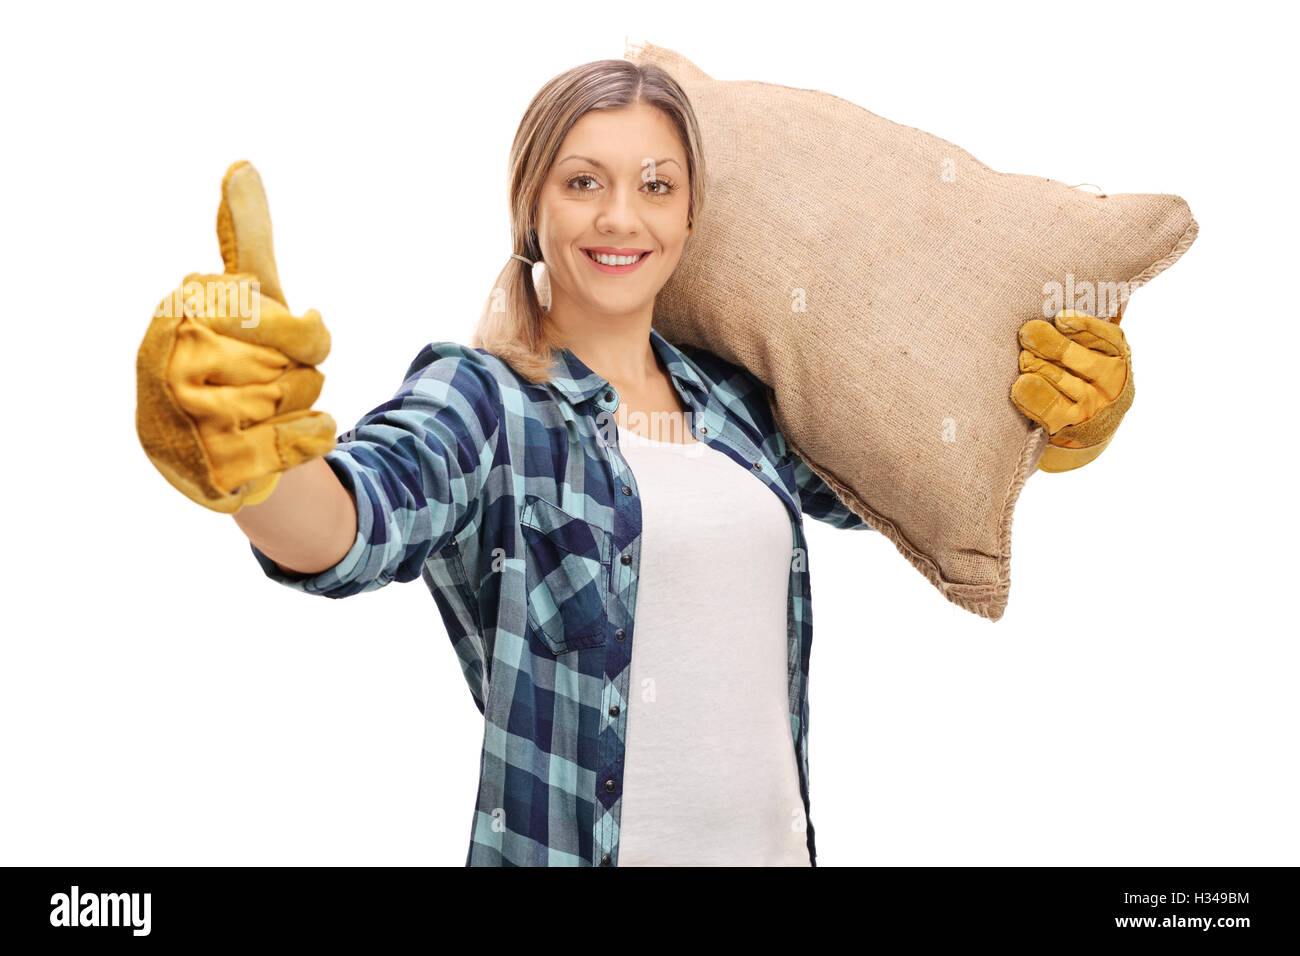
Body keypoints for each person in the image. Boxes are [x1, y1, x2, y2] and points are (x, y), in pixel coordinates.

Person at [138, 58, 1132, 866]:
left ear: (690, 219)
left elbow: (880, 482)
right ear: (532, 207)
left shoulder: (742, 405)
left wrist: (1049, 433)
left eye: (656, 185)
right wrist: (248, 462)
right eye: (584, 183)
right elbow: (352, 520)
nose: (622, 217)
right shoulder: (485, 401)